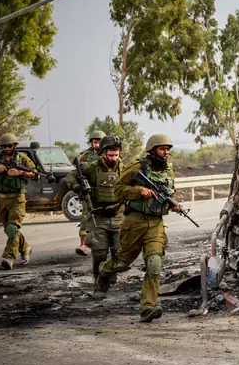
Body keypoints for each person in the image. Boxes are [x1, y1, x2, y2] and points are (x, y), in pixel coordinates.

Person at [97, 134, 180, 323]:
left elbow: (169, 194)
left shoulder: (169, 170)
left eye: (168, 149)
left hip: (156, 224)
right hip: (134, 222)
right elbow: (118, 189)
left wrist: (174, 205)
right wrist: (138, 191)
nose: (166, 152)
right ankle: (105, 271)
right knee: (122, 263)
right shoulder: (136, 167)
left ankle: (147, 307)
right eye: (162, 149)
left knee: (154, 264)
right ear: (152, 150)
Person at [65, 136, 124, 291]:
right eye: (110, 155)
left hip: (119, 216)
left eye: (116, 155)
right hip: (98, 217)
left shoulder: (123, 169)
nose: (114, 158)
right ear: (103, 154)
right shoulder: (92, 168)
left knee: (119, 252)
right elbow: (70, 176)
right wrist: (79, 188)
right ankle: (100, 283)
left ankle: (110, 275)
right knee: (99, 254)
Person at [0, 133, 39, 270]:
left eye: (10, 145)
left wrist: (20, 173)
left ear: (14, 146)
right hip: (2, 199)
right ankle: (25, 248)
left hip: (17, 198)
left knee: (12, 227)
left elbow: (35, 174)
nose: (7, 148)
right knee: (9, 231)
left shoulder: (23, 159)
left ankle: (9, 257)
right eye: (5, 146)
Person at [74, 130, 107, 256]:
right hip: (89, 191)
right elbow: (76, 173)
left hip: (105, 193)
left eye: (100, 142)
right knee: (85, 218)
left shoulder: (109, 154)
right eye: (95, 142)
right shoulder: (84, 156)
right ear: (91, 142)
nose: (97, 145)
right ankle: (83, 244)